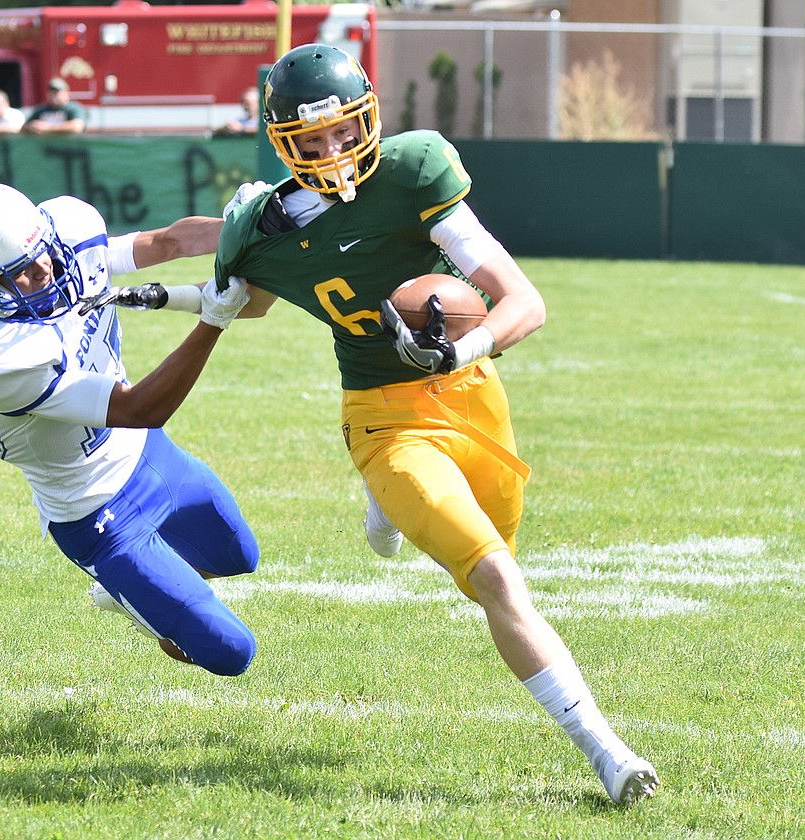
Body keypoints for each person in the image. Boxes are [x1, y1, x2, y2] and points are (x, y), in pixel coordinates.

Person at [111, 44, 659, 805]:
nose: (332, 151)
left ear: (370, 118)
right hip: (383, 419)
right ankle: (606, 750)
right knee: (498, 576)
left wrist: (456, 348)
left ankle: (388, 505)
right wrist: (151, 295)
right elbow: (243, 301)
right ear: (281, 143)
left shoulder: (412, 173)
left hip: (470, 392)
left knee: (497, 555)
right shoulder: (262, 227)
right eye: (311, 140)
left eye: (344, 130)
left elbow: (522, 300)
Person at [0, 182, 256, 676]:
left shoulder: (64, 232)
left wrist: (242, 229)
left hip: (151, 456)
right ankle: (131, 593)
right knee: (231, 654)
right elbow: (140, 407)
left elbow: (167, 243)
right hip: (95, 514)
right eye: (21, 276)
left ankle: (144, 590)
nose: (46, 272)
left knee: (239, 556)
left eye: (43, 256)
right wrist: (212, 322)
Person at [22, 78, 86, 135]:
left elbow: (77, 127)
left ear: (66, 92)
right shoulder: (41, 110)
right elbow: (24, 127)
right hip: (46, 146)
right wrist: (32, 127)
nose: (53, 95)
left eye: (57, 92)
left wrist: (47, 128)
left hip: (69, 146)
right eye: (51, 92)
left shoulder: (73, 108)